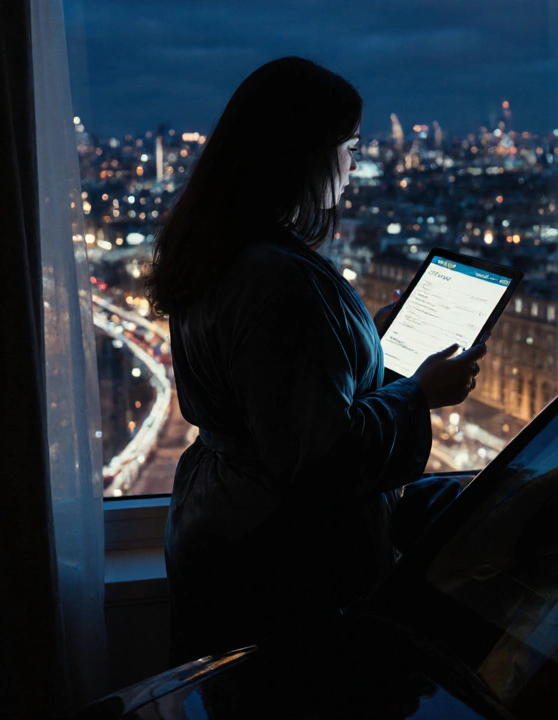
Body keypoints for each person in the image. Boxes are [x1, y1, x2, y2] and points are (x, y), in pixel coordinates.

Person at [144, 57, 486, 663]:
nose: (356, 164)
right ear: (302, 153)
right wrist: (419, 393)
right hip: (280, 560)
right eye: (349, 146)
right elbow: (322, 458)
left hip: (223, 528)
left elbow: (275, 386)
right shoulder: (279, 280)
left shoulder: (222, 251)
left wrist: (364, 341)